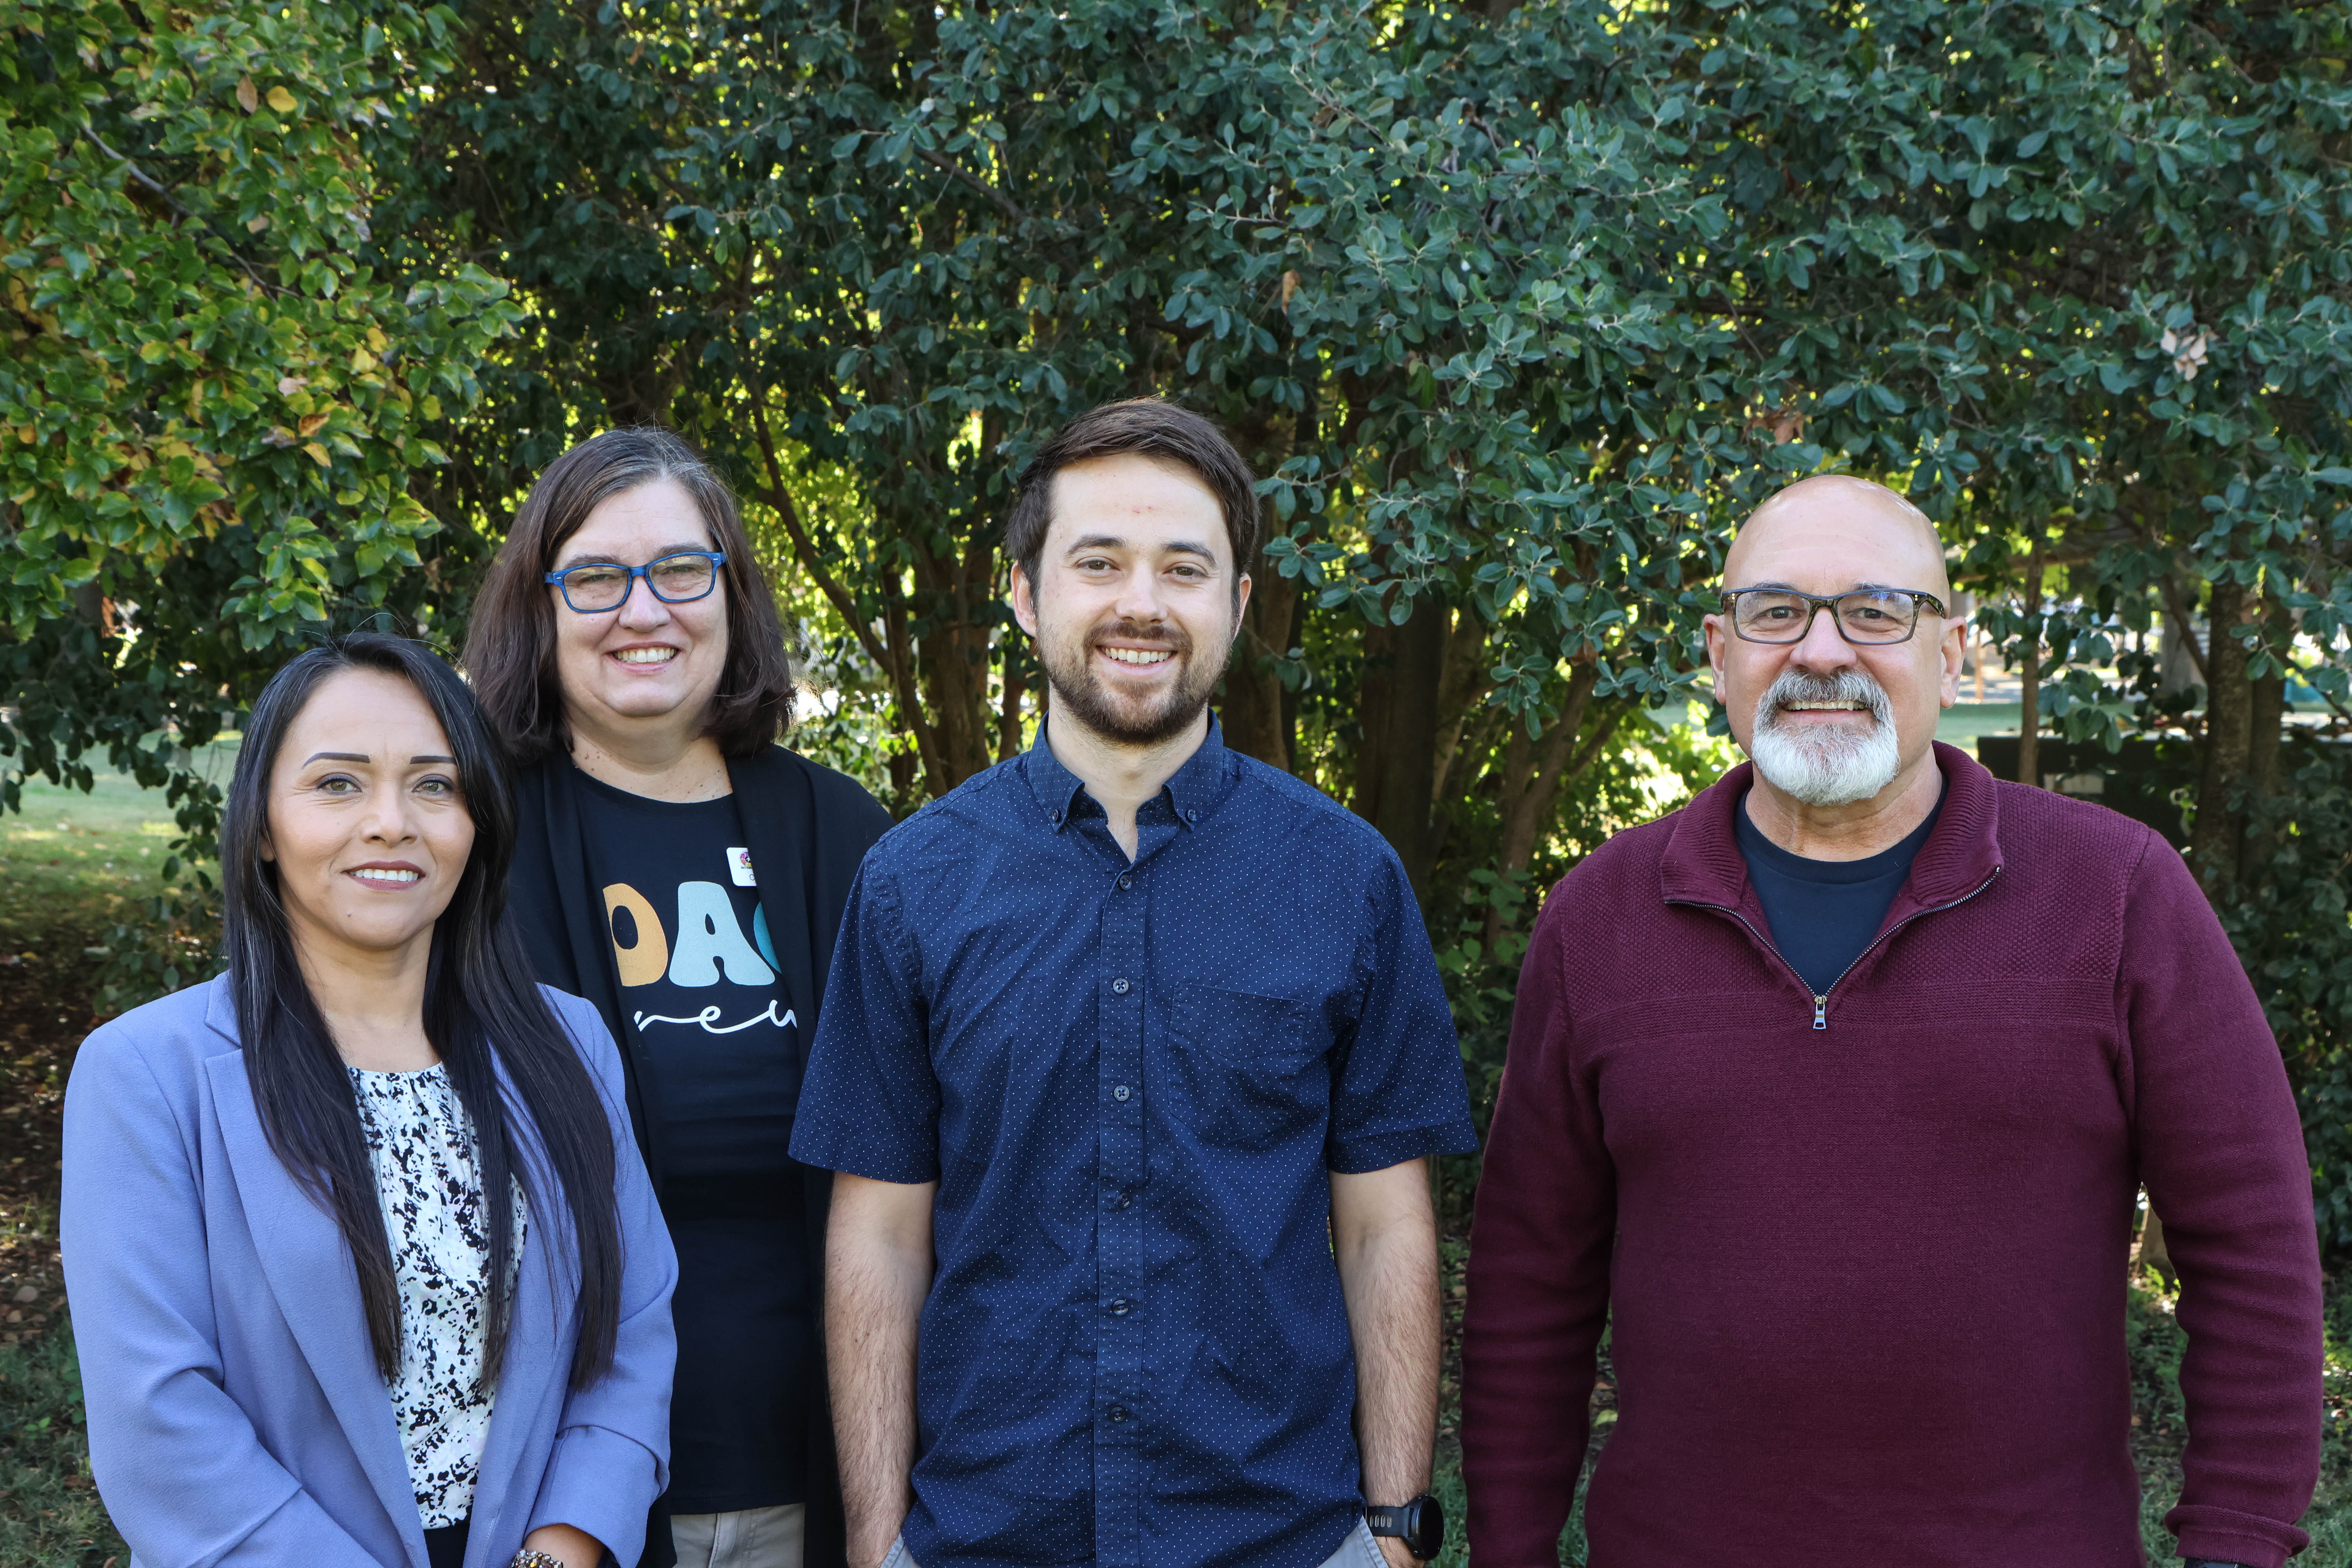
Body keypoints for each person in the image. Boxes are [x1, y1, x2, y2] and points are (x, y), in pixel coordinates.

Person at [1460, 474, 2325, 1568]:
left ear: (1952, 652)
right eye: (1777, 612)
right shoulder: (1602, 916)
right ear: (1719, 652)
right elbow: (1531, 1282)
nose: (1822, 652)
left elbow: (2251, 1246)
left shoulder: (2116, 894)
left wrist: (2238, 1546)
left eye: (1876, 611)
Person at [790, 398, 1478, 1568]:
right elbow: (881, 1236)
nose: (1142, 605)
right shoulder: (911, 883)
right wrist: (873, 1543)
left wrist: (1396, 1531)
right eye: (1098, 562)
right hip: (984, 1540)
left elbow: (1383, 1227)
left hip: (1282, 1541)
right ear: (1025, 591)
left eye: (1185, 568)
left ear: (1238, 604)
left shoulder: (1347, 878)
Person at [62, 633, 678, 1568]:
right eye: (338, 784)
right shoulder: (148, 1074)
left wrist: (563, 1550)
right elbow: (159, 1421)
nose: (393, 822)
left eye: (435, 785)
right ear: (263, 826)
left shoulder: (569, 1046)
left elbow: (632, 1325)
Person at [464, 427, 893, 1568]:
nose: (642, 610)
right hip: (554, 1499)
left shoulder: (846, 839)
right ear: (541, 608)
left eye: (681, 571)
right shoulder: (470, 842)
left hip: (820, 1478)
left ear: (732, 594)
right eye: (597, 577)